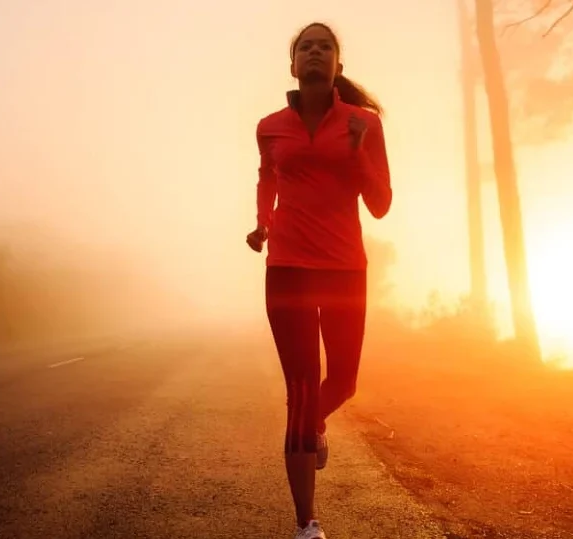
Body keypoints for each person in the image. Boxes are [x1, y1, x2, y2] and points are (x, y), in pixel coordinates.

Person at [245, 21, 392, 539]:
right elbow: (267, 177)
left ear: (337, 65)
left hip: (345, 267)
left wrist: (355, 152)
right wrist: (263, 222)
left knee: (343, 382)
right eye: (305, 46)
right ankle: (306, 523)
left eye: (324, 46)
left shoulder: (364, 124)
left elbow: (380, 204)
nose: (314, 52)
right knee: (302, 392)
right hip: (287, 267)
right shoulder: (270, 126)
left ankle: (315, 426)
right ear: (293, 65)